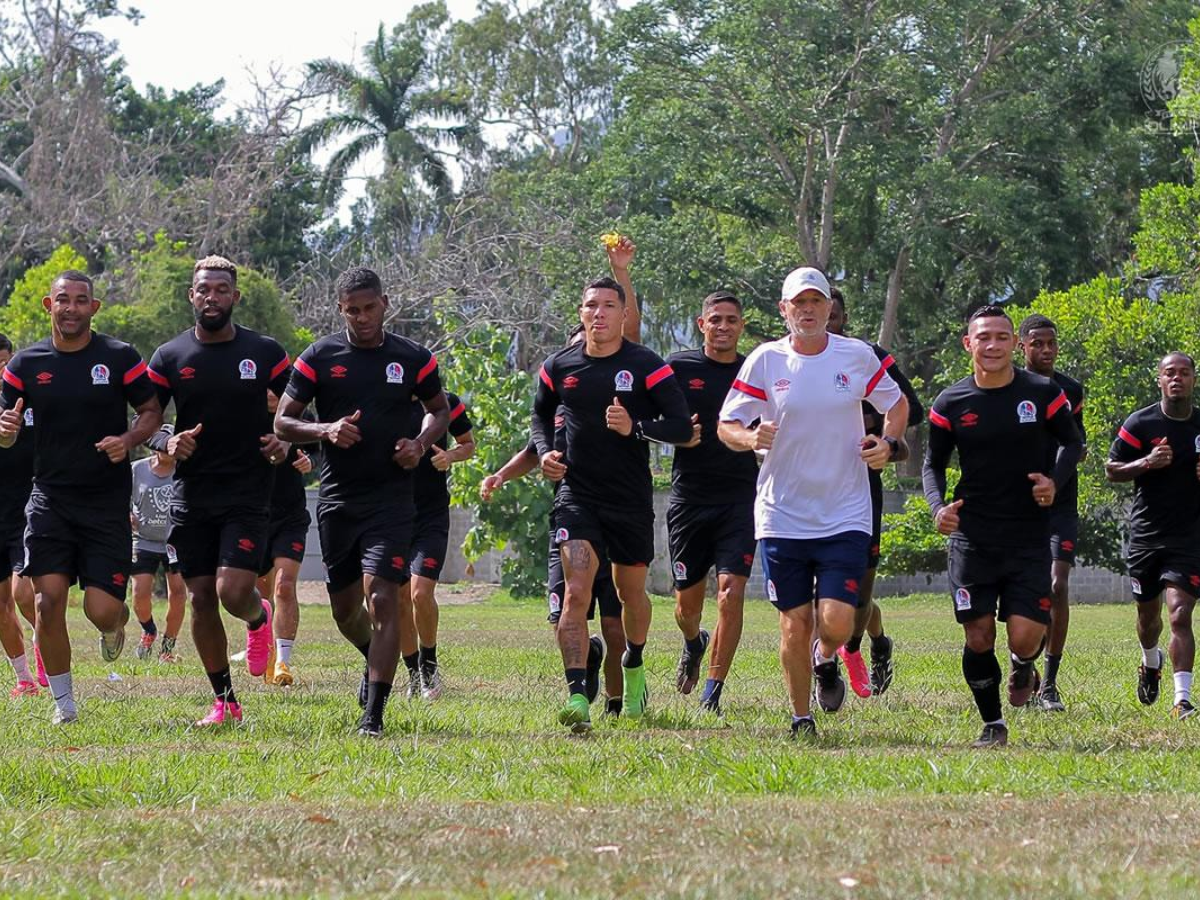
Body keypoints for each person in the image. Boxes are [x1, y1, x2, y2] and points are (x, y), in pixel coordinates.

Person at [719, 267, 908, 739]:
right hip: (783, 513)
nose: (807, 311)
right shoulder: (766, 361)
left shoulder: (857, 355)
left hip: (845, 509)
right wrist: (747, 437)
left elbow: (897, 402)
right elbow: (727, 424)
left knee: (838, 622)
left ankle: (828, 659)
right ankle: (801, 718)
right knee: (794, 623)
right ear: (783, 310)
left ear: (829, 309)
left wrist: (888, 442)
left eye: (815, 302)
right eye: (797, 303)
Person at [275, 266, 450, 737]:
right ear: (340, 309)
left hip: (392, 501)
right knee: (345, 610)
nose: (363, 317)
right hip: (337, 502)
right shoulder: (319, 357)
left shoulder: (413, 358)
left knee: (383, 599)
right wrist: (325, 429)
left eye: (370, 308)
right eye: (353, 310)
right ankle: (376, 656)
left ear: (384, 303)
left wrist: (419, 443)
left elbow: (440, 410)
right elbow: (283, 423)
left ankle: (373, 715)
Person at [0, 270, 162, 724]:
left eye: (80, 300)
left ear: (94, 307)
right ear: (49, 307)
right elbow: (5, 427)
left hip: (106, 502)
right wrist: (6, 432)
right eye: (62, 300)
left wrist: (128, 440)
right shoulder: (24, 365)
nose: (71, 307)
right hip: (50, 498)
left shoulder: (118, 357)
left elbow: (151, 410)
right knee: (45, 601)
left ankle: (117, 625)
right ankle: (64, 705)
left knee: (101, 609)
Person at [532, 275, 691, 733]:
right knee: (576, 594)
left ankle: (635, 662)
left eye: (607, 306)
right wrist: (545, 453)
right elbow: (540, 414)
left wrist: (636, 427)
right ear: (580, 314)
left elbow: (682, 427)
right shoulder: (559, 366)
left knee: (629, 594)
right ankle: (578, 696)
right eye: (590, 306)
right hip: (577, 496)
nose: (598, 313)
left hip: (630, 499)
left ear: (624, 314)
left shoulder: (646, 365)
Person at [923, 305, 1083, 748]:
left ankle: (1023, 661)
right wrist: (938, 508)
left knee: (1026, 636)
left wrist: (1054, 480)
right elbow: (932, 463)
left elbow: (1073, 442)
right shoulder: (950, 402)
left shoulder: (1043, 391)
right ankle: (992, 722)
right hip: (973, 537)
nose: (992, 345)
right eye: (983, 337)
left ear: (1014, 344)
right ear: (968, 344)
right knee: (978, 635)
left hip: (1029, 535)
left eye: (1001, 337)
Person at [147, 256, 292, 727]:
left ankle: (257, 617)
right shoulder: (169, 357)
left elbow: (297, 406)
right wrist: (166, 440)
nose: (212, 297)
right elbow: (144, 419)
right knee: (200, 598)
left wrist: (284, 439)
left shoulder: (266, 352)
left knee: (232, 591)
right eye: (203, 289)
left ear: (235, 296)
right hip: (192, 493)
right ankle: (225, 702)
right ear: (191, 296)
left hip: (249, 490)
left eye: (221, 290)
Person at [826, 288, 924, 698]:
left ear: (844, 318)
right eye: (812, 309)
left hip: (862, 483)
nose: (823, 321)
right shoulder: (783, 359)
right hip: (809, 488)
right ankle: (828, 662)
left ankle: (869, 643)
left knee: (859, 591)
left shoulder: (864, 357)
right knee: (824, 591)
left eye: (832, 315)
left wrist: (877, 428)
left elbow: (912, 408)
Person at [665, 291, 758, 715]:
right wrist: (674, 434)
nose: (723, 326)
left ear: (742, 326)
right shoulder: (678, 368)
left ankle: (713, 690)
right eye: (715, 319)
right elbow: (650, 416)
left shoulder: (755, 370)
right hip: (689, 499)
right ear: (702, 325)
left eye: (731, 320)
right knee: (687, 606)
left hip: (740, 497)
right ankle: (693, 640)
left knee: (730, 592)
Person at [1106, 352, 1200, 720]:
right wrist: (1146, 462)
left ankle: (1183, 699)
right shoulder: (1141, 422)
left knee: (1180, 615)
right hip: (1146, 535)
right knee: (1148, 619)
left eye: (1184, 373)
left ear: (1194, 379)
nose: (1176, 379)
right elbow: (1112, 470)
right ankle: (1150, 660)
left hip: (1190, 536)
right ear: (1159, 380)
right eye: (1169, 373)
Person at [1018, 314, 1086, 711]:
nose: (1046, 351)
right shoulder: (1009, 387)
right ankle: (1024, 668)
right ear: (1021, 345)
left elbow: (1074, 442)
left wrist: (1056, 478)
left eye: (1051, 344)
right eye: (1037, 343)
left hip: (1059, 502)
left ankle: (1050, 684)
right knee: (1027, 591)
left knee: (1057, 586)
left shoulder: (1070, 390)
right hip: (1017, 506)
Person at [403, 391, 474, 700]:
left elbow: (468, 444)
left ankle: (429, 664)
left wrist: (450, 457)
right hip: (391, 513)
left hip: (431, 514)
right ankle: (412, 674)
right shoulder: (385, 397)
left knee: (420, 593)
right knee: (399, 599)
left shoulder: (447, 402)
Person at [257, 390, 315, 687]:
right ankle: (262, 653)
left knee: (284, 586)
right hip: (251, 515)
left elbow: (317, 449)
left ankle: (282, 661)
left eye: (275, 385)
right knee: (260, 595)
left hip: (290, 516)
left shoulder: (300, 418)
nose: (270, 392)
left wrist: (308, 463)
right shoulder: (244, 416)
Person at [0, 334, 41, 696]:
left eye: (4, 363)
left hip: (28, 510)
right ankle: (24, 679)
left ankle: (45, 640)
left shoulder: (31, 402)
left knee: (24, 593)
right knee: (0, 606)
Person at [130, 427, 187, 663]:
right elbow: (119, 496)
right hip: (143, 540)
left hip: (175, 542)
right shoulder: (137, 469)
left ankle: (167, 649)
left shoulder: (184, 471)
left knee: (178, 595)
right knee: (139, 594)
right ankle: (149, 630)